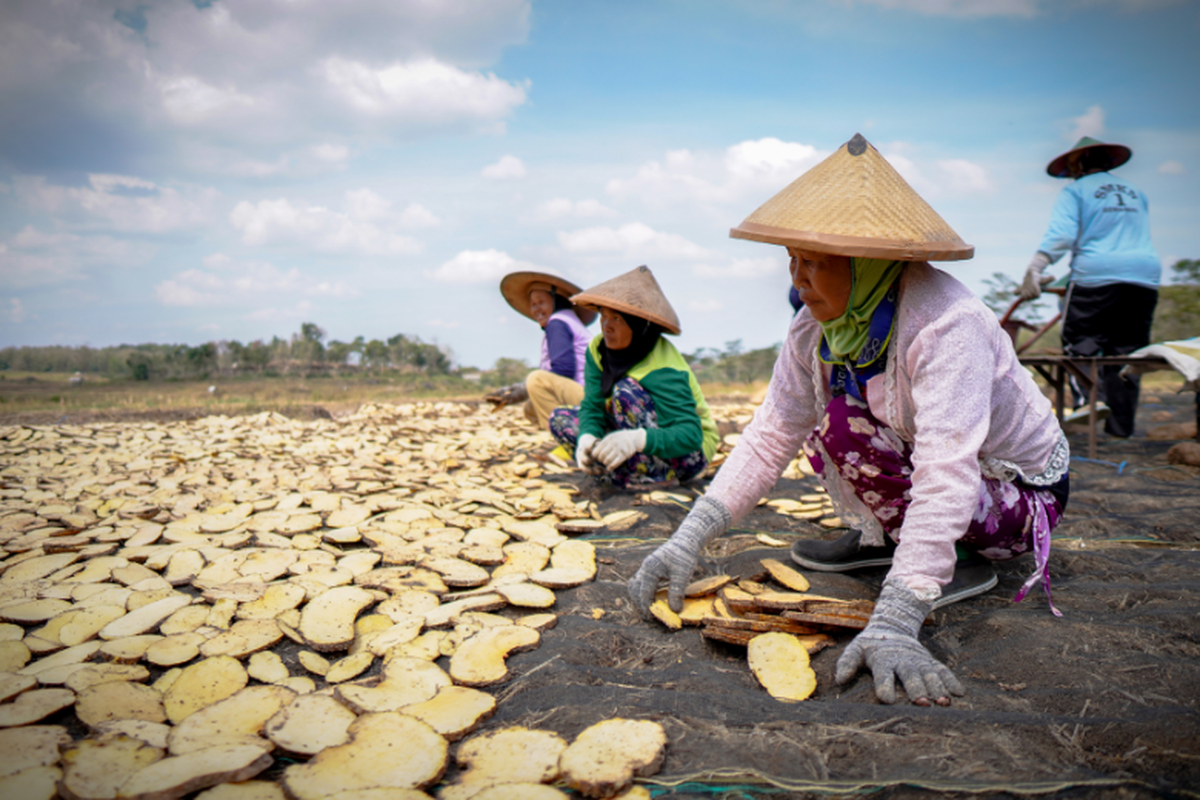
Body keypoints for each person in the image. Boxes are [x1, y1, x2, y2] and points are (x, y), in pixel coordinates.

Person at [629, 134, 1070, 707]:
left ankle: (955, 563)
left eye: (811, 262)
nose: (797, 280)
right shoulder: (815, 328)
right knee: (824, 419)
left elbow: (946, 466)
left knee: (845, 428)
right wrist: (687, 538)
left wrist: (898, 614)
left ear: (868, 264)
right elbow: (772, 433)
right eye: (792, 260)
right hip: (950, 478)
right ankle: (889, 538)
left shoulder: (945, 325)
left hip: (1016, 495)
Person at [1019, 136, 1162, 438]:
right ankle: (1120, 430)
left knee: (1080, 341)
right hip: (1144, 277)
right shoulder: (1137, 193)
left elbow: (1062, 234)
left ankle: (1087, 403)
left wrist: (1036, 267)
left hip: (1096, 274)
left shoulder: (1075, 191)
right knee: (1126, 354)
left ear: (1080, 163)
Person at [547, 265, 719, 489]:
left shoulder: (664, 366)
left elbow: (690, 435)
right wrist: (587, 437)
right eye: (604, 317)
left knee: (625, 391)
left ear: (638, 325)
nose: (606, 327)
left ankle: (657, 477)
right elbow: (592, 405)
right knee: (561, 419)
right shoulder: (597, 350)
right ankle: (621, 473)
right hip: (634, 438)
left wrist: (636, 440)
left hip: (687, 454)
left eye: (617, 319)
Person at [487, 272, 596, 429]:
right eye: (533, 304)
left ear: (557, 301)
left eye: (541, 302)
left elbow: (564, 370)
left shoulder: (557, 323)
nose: (536, 309)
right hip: (586, 394)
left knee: (537, 380)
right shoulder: (567, 320)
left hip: (588, 397)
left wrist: (523, 390)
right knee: (530, 409)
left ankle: (567, 440)